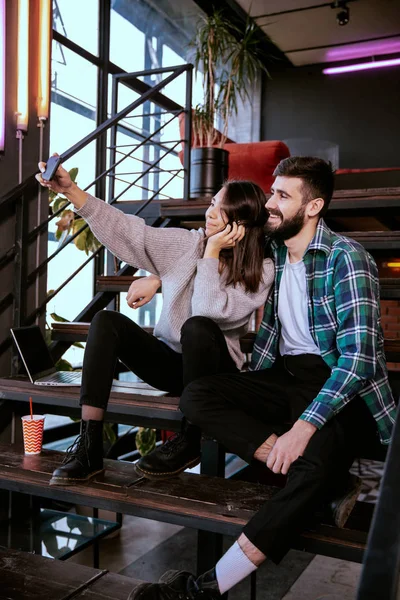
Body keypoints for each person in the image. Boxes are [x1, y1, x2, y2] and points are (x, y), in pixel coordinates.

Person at [126, 156, 397, 600]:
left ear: (313, 207)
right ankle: (323, 478)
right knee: (196, 396)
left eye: (282, 195)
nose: (269, 203)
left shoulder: (347, 258)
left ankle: (204, 589)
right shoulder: (271, 250)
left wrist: (304, 428)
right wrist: (156, 275)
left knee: (310, 469)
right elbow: (201, 247)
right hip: (283, 376)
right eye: (272, 192)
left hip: (341, 388)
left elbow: (359, 361)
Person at [36, 159, 274, 486]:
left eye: (219, 208)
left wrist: (212, 253)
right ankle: (89, 446)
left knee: (197, 328)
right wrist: (72, 192)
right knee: (106, 321)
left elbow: (207, 312)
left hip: (216, 375)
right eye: (212, 203)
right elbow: (130, 232)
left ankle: (190, 436)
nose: (209, 212)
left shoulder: (260, 270)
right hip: (173, 365)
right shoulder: (187, 243)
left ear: (240, 222)